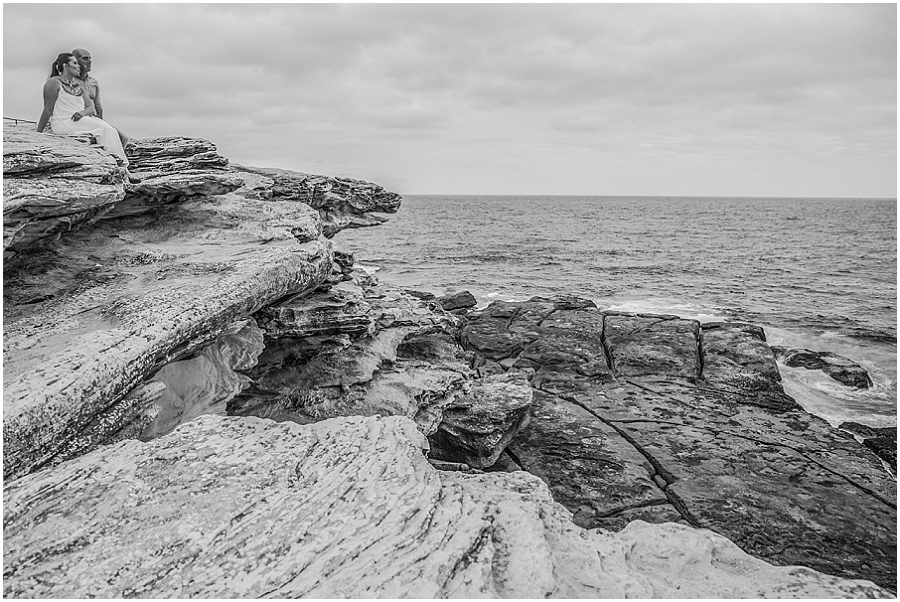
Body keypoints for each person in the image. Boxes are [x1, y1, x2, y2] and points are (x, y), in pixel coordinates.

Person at [36, 53, 140, 183]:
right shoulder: (53, 83)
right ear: (64, 66)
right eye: (74, 63)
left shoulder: (77, 86)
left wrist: (83, 113)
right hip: (64, 121)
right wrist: (38, 133)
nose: (78, 66)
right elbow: (48, 109)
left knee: (110, 130)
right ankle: (121, 168)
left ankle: (123, 167)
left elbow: (91, 108)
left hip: (80, 118)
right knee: (105, 130)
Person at [72, 47, 130, 148]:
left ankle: (114, 161)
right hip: (77, 118)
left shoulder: (93, 82)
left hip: (93, 118)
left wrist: (101, 124)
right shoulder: (69, 80)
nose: (89, 61)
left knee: (123, 138)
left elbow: (98, 106)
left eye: (90, 58)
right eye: (85, 58)